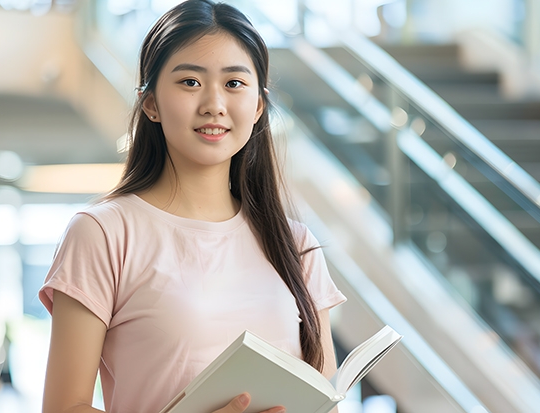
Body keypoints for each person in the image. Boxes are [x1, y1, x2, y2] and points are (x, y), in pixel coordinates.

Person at [38, 1, 346, 412]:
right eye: (189, 82)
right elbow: (63, 407)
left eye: (234, 83)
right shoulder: (103, 233)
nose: (214, 104)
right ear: (150, 103)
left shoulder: (296, 245)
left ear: (258, 106)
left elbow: (324, 400)